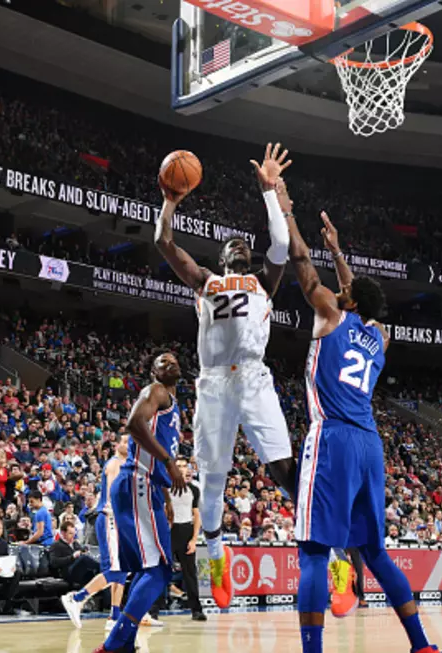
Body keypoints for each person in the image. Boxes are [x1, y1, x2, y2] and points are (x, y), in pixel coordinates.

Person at [277, 176, 438, 653]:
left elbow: (301, 264)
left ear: (346, 301)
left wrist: (286, 211)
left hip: (333, 438)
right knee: (374, 551)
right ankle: (421, 644)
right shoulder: (380, 338)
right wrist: (340, 252)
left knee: (312, 550)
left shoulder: (328, 313)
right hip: (370, 444)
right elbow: (359, 296)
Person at [154, 144, 294, 608]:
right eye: (232, 244)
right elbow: (164, 244)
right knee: (213, 480)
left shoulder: (264, 282)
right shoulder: (205, 281)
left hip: (254, 379)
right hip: (213, 383)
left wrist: (269, 193)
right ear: (220, 255)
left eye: (245, 245)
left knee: (284, 469)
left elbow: (280, 244)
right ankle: (215, 553)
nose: (241, 245)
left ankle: (328, 547)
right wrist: (171, 203)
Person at [92, 352, 187, 653]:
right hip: (137, 483)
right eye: (162, 360)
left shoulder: (173, 406)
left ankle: (124, 643)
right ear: (153, 371)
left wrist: (167, 495)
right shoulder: (154, 391)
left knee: (148, 571)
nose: (169, 363)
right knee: (159, 570)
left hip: (147, 487)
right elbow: (134, 423)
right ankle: (115, 644)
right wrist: (170, 463)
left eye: (173, 360)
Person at [61, 440, 128, 630]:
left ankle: (115, 616)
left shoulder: (125, 465)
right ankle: (76, 598)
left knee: (122, 571)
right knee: (114, 571)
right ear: (117, 445)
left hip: (117, 522)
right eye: (125, 440)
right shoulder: (116, 464)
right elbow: (115, 496)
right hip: (111, 519)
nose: (129, 444)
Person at [170, 456, 205, 621]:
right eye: (178, 466)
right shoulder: (165, 488)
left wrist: (194, 539)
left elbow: (197, 515)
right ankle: (153, 610)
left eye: (184, 466)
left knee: (190, 573)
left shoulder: (194, 489)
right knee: (160, 571)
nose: (182, 468)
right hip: (169, 530)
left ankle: (196, 610)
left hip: (186, 530)